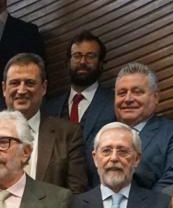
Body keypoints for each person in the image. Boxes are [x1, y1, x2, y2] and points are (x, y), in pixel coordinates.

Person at [0, 53, 87, 194]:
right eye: (14, 83)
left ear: (44, 88)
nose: (21, 90)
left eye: (29, 83)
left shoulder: (67, 133)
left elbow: (77, 193)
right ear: (3, 88)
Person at [43, 31, 117, 185]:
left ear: (101, 63)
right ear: (67, 62)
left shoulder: (114, 102)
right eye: (77, 56)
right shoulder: (48, 107)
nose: (83, 61)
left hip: (99, 192)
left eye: (90, 56)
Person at [112, 62, 173, 191]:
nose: (127, 99)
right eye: (121, 93)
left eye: (137, 92)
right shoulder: (101, 138)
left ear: (155, 97)